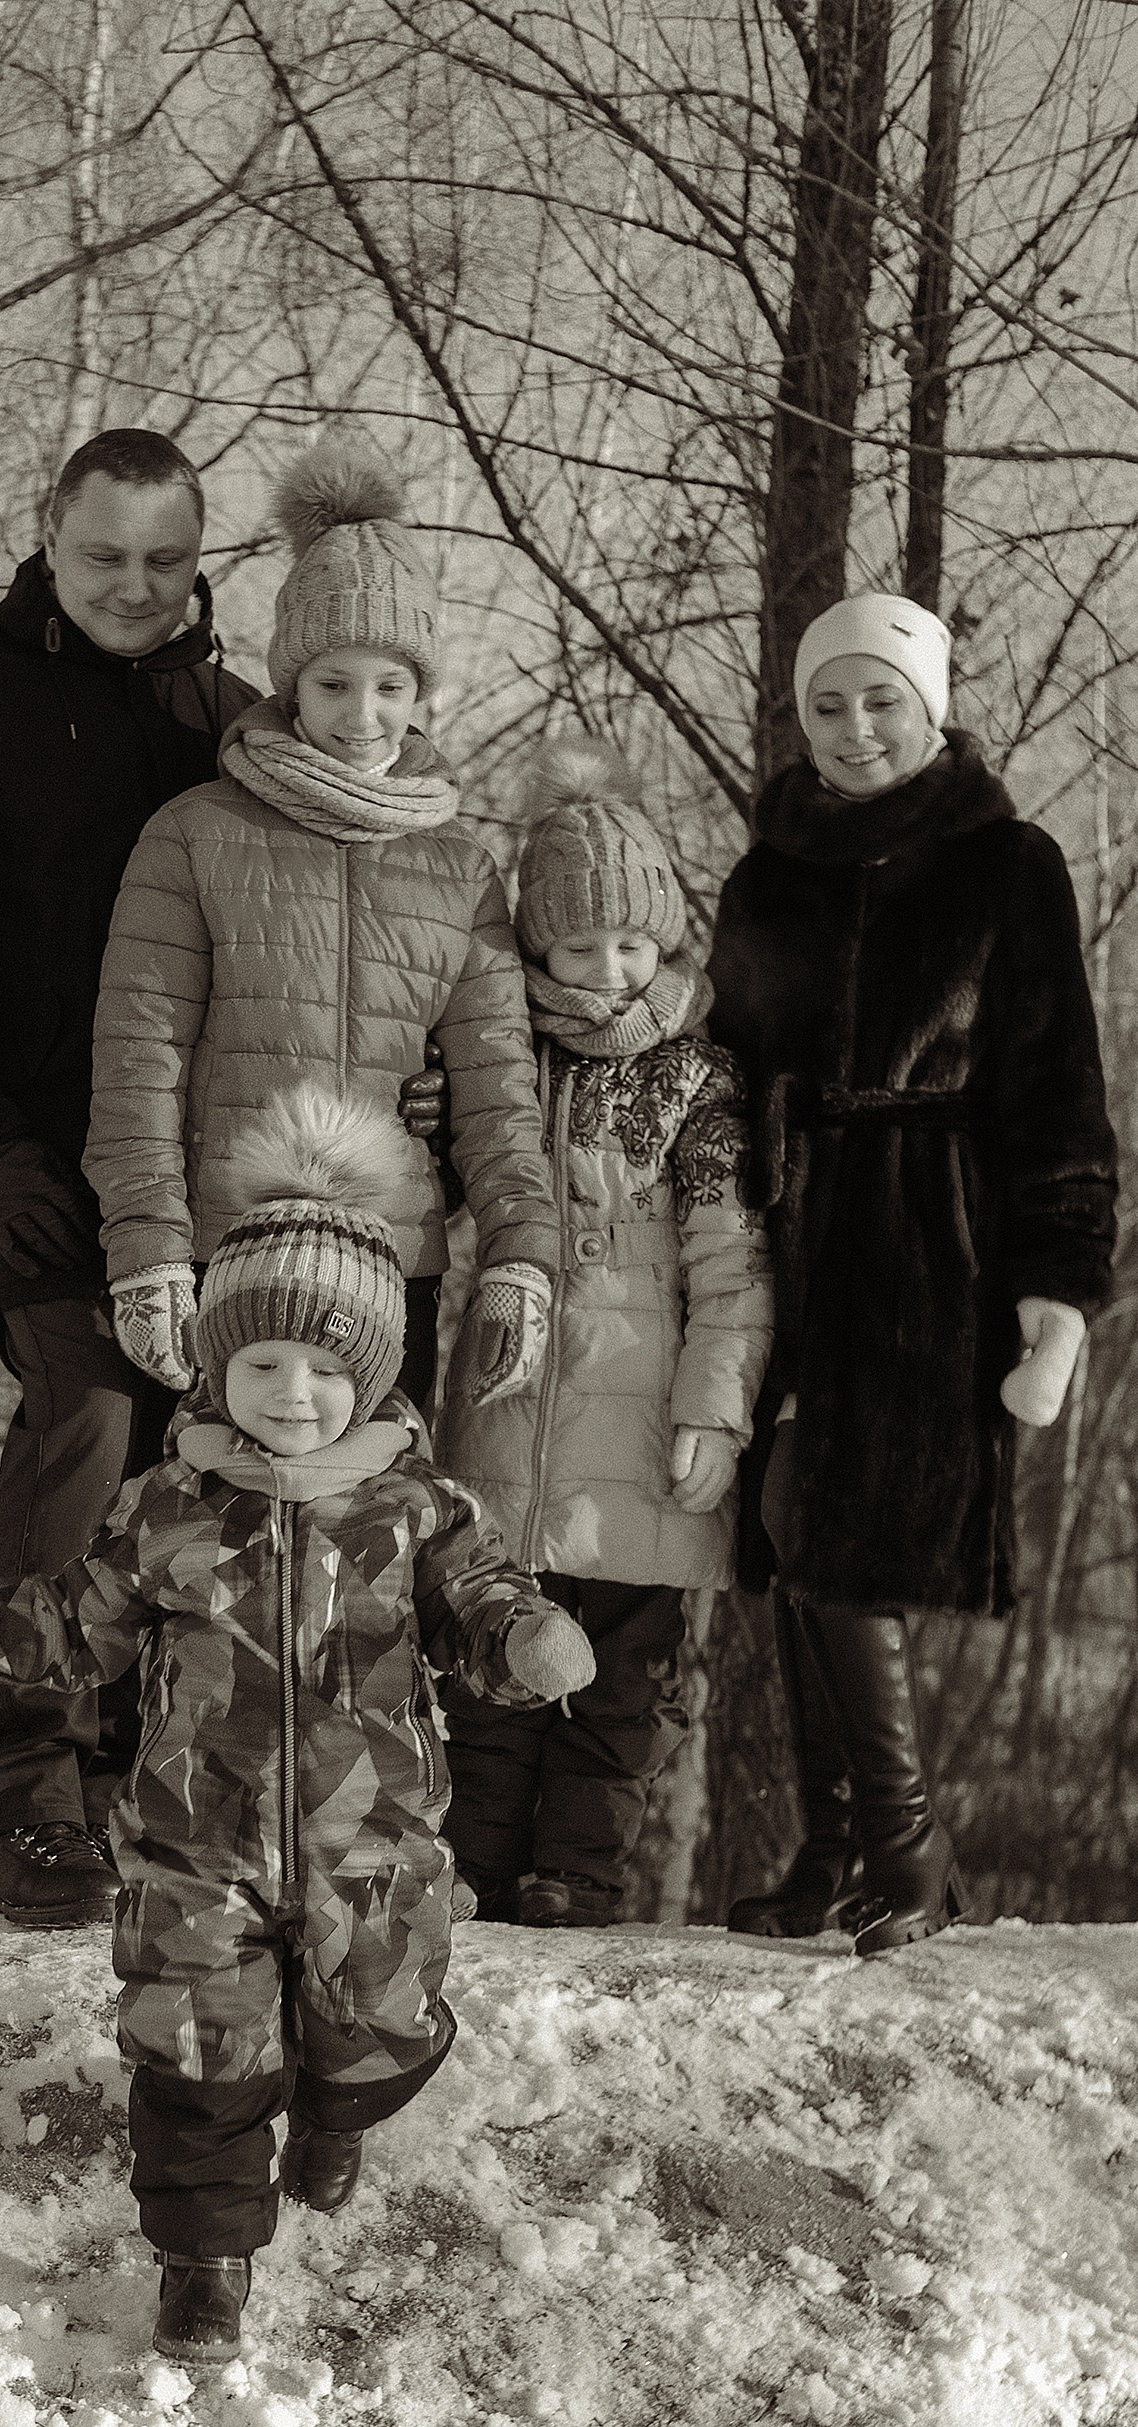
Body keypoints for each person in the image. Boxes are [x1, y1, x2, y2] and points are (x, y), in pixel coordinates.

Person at [0, 1090, 595, 2365]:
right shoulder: (167, 1504)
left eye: (326, 1369)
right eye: (262, 1364)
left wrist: (523, 1638)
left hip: (369, 1846)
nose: (294, 1394)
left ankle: (335, 2110)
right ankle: (201, 2269)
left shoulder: (412, 1509)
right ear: (216, 1366)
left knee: (374, 2025)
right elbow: (71, 1624)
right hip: (190, 1847)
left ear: (369, 1373)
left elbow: (478, 1602)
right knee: (192, 2055)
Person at [0, 429, 259, 1930]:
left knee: (197, 1457)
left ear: (200, 558)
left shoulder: (238, 719)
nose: (133, 587)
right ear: (49, 541)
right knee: (81, 1411)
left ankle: (154, 1789)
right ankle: (29, 1799)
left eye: (163, 559)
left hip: (205, 1167)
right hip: (24, 1152)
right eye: (103, 556)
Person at [711, 593, 1120, 1957]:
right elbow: (722, 1059)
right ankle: (835, 1850)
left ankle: (907, 1849)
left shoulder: (1010, 865)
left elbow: (1058, 1088)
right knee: (782, 1532)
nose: (855, 727)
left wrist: (1057, 1292)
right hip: (784, 1226)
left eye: (881, 699)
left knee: (843, 1528)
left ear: (931, 705)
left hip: (930, 1237)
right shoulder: (766, 873)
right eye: (828, 703)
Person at [83, 432, 558, 1427]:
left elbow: (498, 1091)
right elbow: (139, 1061)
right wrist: (147, 1250)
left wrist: (519, 1257)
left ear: (420, 692)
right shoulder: (194, 834)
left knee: (379, 1548)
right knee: (211, 1555)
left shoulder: (460, 869)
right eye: (333, 682)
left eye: (390, 685)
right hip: (228, 1262)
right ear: (290, 683)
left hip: (392, 1271)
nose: (362, 713)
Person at [436, 738, 773, 1926]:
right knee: (491, 1664)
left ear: (664, 938)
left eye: (629, 943)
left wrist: (711, 1412)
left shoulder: (695, 1079)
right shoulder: (498, 1060)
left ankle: (573, 1876)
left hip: (640, 1434)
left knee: (622, 1684)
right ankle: (470, 1869)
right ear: (535, 947)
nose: (606, 969)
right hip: (504, 1419)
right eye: (577, 946)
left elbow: (730, 1261)